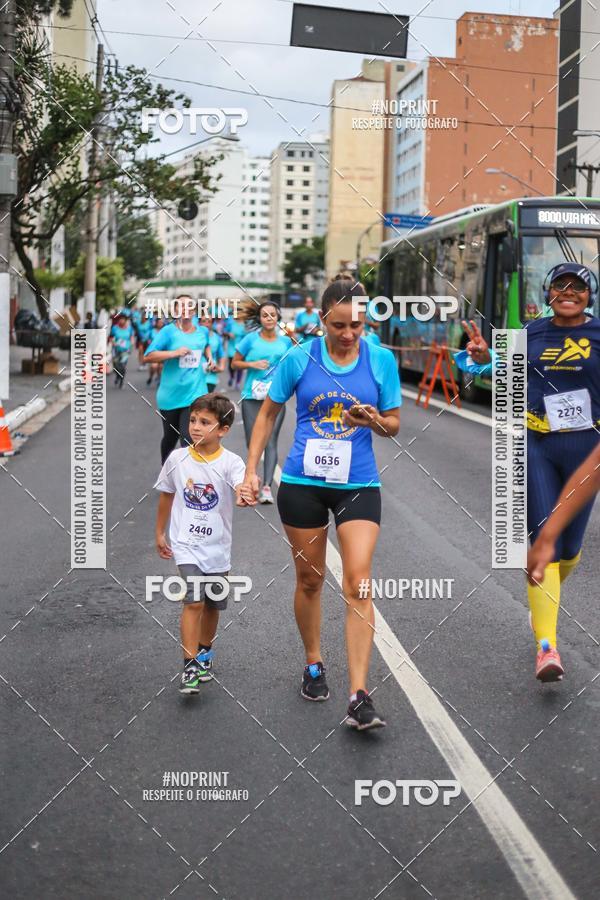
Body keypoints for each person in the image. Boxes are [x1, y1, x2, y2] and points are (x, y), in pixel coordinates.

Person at [240, 278, 401, 730]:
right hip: (302, 482)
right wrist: (252, 470)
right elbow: (269, 412)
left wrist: (372, 419)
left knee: (358, 582)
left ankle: (359, 693)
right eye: (340, 324)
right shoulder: (299, 358)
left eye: (358, 324)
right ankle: (313, 661)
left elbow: (393, 426)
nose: (350, 333)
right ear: (322, 320)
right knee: (310, 580)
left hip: (358, 484)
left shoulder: (381, 360)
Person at [456, 262, 600, 682]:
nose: (568, 292)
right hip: (536, 443)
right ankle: (547, 648)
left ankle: (548, 587)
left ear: (589, 294)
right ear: (549, 291)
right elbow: (497, 369)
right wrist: (480, 358)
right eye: (560, 286)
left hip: (585, 448)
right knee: (543, 539)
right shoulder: (533, 333)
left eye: (578, 287)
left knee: (567, 549)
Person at [154, 393, 247, 694]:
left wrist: (245, 493)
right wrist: (160, 532)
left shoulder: (231, 462)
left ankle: (205, 650)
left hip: (218, 547)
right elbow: (167, 494)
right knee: (194, 599)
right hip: (186, 544)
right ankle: (189, 663)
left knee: (213, 603)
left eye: (204, 422)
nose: (195, 426)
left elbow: (240, 484)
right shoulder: (177, 459)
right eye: (193, 420)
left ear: (223, 429)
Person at [232, 300, 293, 504]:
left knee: (272, 439)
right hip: (251, 396)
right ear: (259, 318)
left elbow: (291, 365)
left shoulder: (285, 342)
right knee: (253, 441)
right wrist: (252, 363)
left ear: (278, 318)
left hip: (275, 397)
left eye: (273, 315)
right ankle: (253, 479)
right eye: (265, 315)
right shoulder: (250, 340)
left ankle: (266, 486)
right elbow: (235, 362)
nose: (269, 318)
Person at [144, 296, 214, 463]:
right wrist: (173, 353)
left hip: (196, 393)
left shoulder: (202, 331)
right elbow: (148, 356)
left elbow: (206, 345)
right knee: (170, 438)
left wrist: (210, 358)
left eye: (189, 305)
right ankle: (166, 471)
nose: (185, 309)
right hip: (171, 395)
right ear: (175, 311)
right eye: (181, 306)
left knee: (188, 438)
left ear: (194, 310)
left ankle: (186, 482)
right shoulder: (168, 331)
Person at [200, 314, 226, 393]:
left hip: (210, 376)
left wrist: (221, 367)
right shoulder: (195, 336)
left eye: (209, 322)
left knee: (205, 401)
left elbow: (221, 354)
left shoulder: (216, 337)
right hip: (196, 375)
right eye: (204, 321)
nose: (207, 324)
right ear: (199, 323)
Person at [109, 313, 135, 388]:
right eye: (120, 319)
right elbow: (111, 337)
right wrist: (114, 343)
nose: (121, 321)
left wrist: (132, 343)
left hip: (125, 350)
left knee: (123, 366)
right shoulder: (115, 328)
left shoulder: (129, 328)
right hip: (116, 349)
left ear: (125, 320)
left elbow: (132, 337)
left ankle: (121, 381)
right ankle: (117, 375)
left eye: (123, 319)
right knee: (116, 365)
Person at [224, 312, 246, 388]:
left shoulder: (244, 325)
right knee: (231, 365)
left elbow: (247, 337)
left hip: (241, 348)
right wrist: (229, 334)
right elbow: (225, 331)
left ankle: (238, 382)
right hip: (231, 347)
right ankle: (232, 377)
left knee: (240, 366)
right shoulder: (231, 323)